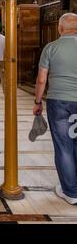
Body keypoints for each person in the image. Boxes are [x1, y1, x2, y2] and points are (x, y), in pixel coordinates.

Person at [33, 13, 77, 205]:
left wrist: (37, 101)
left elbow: (42, 79)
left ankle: (70, 192)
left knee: (63, 147)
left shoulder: (51, 48)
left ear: (60, 28)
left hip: (58, 101)